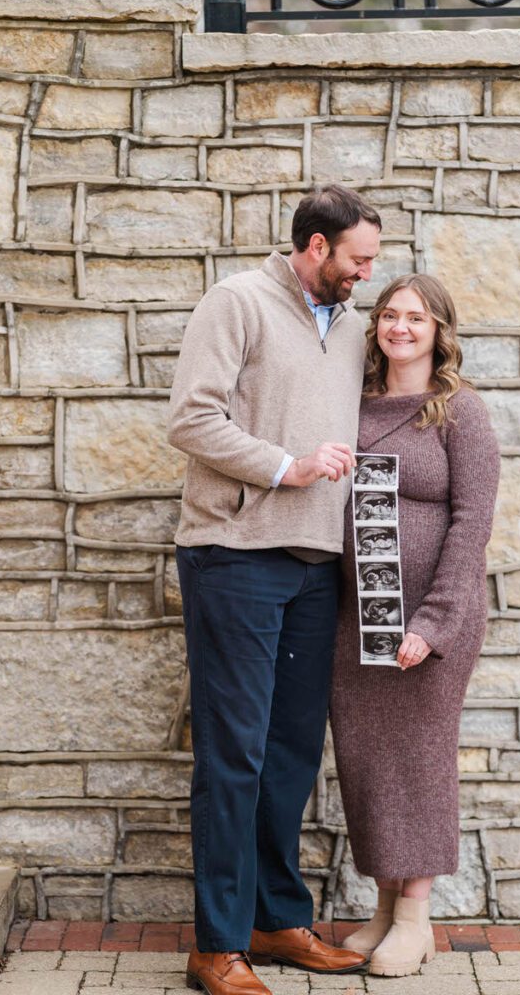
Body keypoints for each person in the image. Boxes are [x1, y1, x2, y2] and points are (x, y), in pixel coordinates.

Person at [167, 185, 382, 995]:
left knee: (290, 754)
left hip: (315, 564)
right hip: (234, 556)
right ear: (316, 246)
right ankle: (217, 945)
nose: (366, 273)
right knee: (235, 753)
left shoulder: (352, 326)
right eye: (358, 258)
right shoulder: (237, 302)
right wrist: (285, 467)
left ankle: (275, 920)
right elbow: (190, 420)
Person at [330, 273, 500, 977]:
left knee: (420, 759)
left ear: (438, 332)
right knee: (366, 760)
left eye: (417, 318)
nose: (400, 327)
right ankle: (382, 906)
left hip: (433, 618)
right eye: (390, 315)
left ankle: (415, 918)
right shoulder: (353, 402)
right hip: (357, 617)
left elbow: (472, 524)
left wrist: (432, 623)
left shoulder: (459, 410)